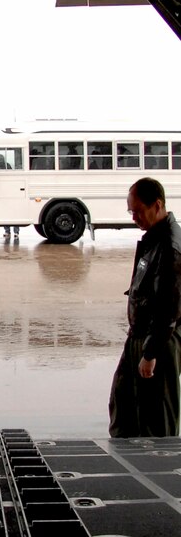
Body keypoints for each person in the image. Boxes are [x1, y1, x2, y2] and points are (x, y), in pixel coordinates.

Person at [109, 177, 181, 438]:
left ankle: (158, 474)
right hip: (139, 336)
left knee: (157, 421)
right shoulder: (154, 238)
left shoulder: (171, 248)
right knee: (123, 407)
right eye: (131, 211)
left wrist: (150, 354)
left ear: (157, 205)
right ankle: (125, 468)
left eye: (138, 211)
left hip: (159, 341)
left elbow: (168, 309)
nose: (134, 218)